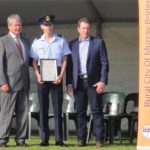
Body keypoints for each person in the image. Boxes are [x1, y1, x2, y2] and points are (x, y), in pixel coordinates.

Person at [66, 18, 109, 148]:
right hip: (78, 82)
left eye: (88, 28)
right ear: (78, 29)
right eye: (83, 28)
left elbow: (104, 63)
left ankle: (99, 140)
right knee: (80, 112)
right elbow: (69, 66)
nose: (86, 30)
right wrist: (69, 83)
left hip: (94, 83)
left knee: (96, 111)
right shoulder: (72, 44)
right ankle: (81, 140)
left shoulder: (98, 42)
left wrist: (102, 81)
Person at [30, 15, 71, 147]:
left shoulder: (61, 40)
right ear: (41, 26)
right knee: (43, 109)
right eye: (46, 25)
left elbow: (65, 59)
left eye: (50, 25)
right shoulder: (37, 42)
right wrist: (37, 74)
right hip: (42, 77)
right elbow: (34, 60)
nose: (48, 27)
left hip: (56, 76)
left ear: (53, 26)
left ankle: (59, 140)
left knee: (58, 108)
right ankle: (44, 140)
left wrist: (61, 75)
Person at [0, 14, 30, 147]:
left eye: (20, 25)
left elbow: (29, 61)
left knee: (22, 113)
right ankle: (2, 139)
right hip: (9, 84)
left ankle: (20, 140)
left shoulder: (25, 40)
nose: (18, 27)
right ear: (9, 26)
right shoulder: (3, 41)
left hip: (24, 83)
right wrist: (2, 82)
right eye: (16, 25)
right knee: (6, 113)